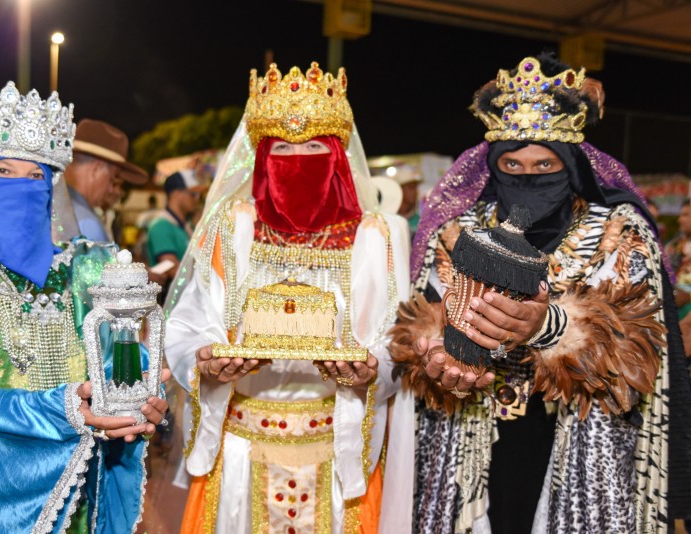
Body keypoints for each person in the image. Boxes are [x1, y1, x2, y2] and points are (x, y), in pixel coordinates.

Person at [391, 54, 691, 532]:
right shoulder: (457, 232)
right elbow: (418, 317)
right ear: (494, 166)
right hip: (471, 437)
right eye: (512, 163)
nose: (526, 177)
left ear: (568, 164)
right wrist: (432, 349)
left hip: (579, 445)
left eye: (543, 164)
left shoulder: (616, 230)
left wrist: (551, 327)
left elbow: (641, 347)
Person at [0, 81, 168, 533]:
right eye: (1, 172)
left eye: (35, 175)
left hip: (71, 505)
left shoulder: (86, 269)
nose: (21, 187)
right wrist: (59, 411)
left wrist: (140, 390)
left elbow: (116, 368)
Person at [163, 62, 411, 533]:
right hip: (240, 447)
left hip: (335, 451)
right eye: (282, 148)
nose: (298, 159)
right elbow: (188, 322)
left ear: (337, 156)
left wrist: (371, 367)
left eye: (315, 146)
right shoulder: (231, 227)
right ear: (260, 157)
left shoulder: (374, 237)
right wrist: (205, 362)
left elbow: (394, 336)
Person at [65, 119, 148, 242]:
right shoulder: (87, 224)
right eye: (112, 178)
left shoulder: (52, 204)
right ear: (96, 170)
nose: (111, 189)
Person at [146, 171, 203, 279]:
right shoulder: (161, 227)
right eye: (193, 194)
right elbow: (174, 271)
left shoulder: (185, 226)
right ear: (176, 194)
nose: (197, 199)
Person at [392, 165, 424, 235]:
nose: (415, 192)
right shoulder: (391, 221)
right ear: (399, 190)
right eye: (411, 188)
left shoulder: (421, 222)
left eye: (415, 188)